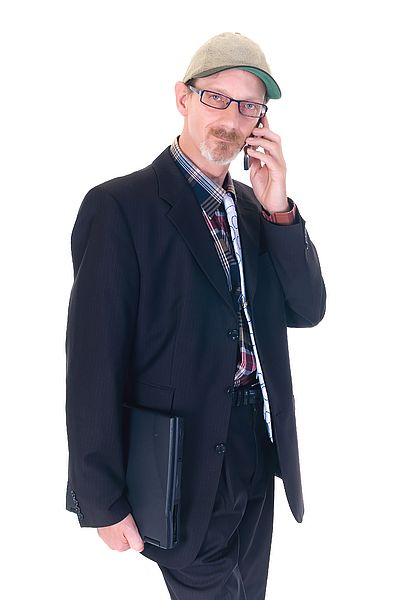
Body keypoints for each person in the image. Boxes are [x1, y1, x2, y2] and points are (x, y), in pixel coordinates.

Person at [65, 31, 326, 599]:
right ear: (183, 98)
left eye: (249, 106)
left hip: (256, 447)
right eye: (217, 98)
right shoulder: (120, 208)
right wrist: (100, 497)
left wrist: (279, 206)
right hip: (178, 460)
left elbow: (308, 309)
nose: (231, 119)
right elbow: (92, 360)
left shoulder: (258, 212)